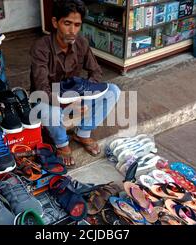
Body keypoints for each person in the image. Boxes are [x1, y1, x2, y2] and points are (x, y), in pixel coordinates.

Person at [30, 0, 120, 166]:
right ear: (55, 22)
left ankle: (83, 133)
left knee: (113, 91)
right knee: (51, 112)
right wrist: (69, 104)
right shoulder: (41, 47)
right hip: (47, 100)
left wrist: (84, 95)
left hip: (75, 97)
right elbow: (42, 89)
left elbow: (96, 72)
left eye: (77, 25)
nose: (72, 30)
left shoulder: (81, 43)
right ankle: (62, 144)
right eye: (67, 23)